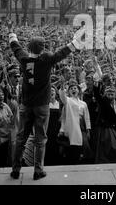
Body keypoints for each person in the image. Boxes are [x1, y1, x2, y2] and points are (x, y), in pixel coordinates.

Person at [9, 31, 77, 180]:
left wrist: (12, 36)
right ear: (41, 48)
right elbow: (61, 53)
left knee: (21, 138)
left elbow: (15, 47)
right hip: (41, 106)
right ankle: (38, 170)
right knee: (40, 139)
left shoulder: (23, 58)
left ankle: (15, 169)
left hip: (26, 105)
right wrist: (75, 43)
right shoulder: (46, 60)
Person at [58, 82, 92, 164]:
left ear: (79, 91)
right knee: (71, 145)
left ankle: (81, 161)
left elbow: (87, 117)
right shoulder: (67, 101)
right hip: (72, 125)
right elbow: (62, 97)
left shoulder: (83, 103)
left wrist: (88, 129)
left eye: (75, 88)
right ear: (68, 92)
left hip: (81, 126)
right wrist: (62, 88)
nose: (73, 90)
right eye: (71, 89)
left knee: (84, 144)